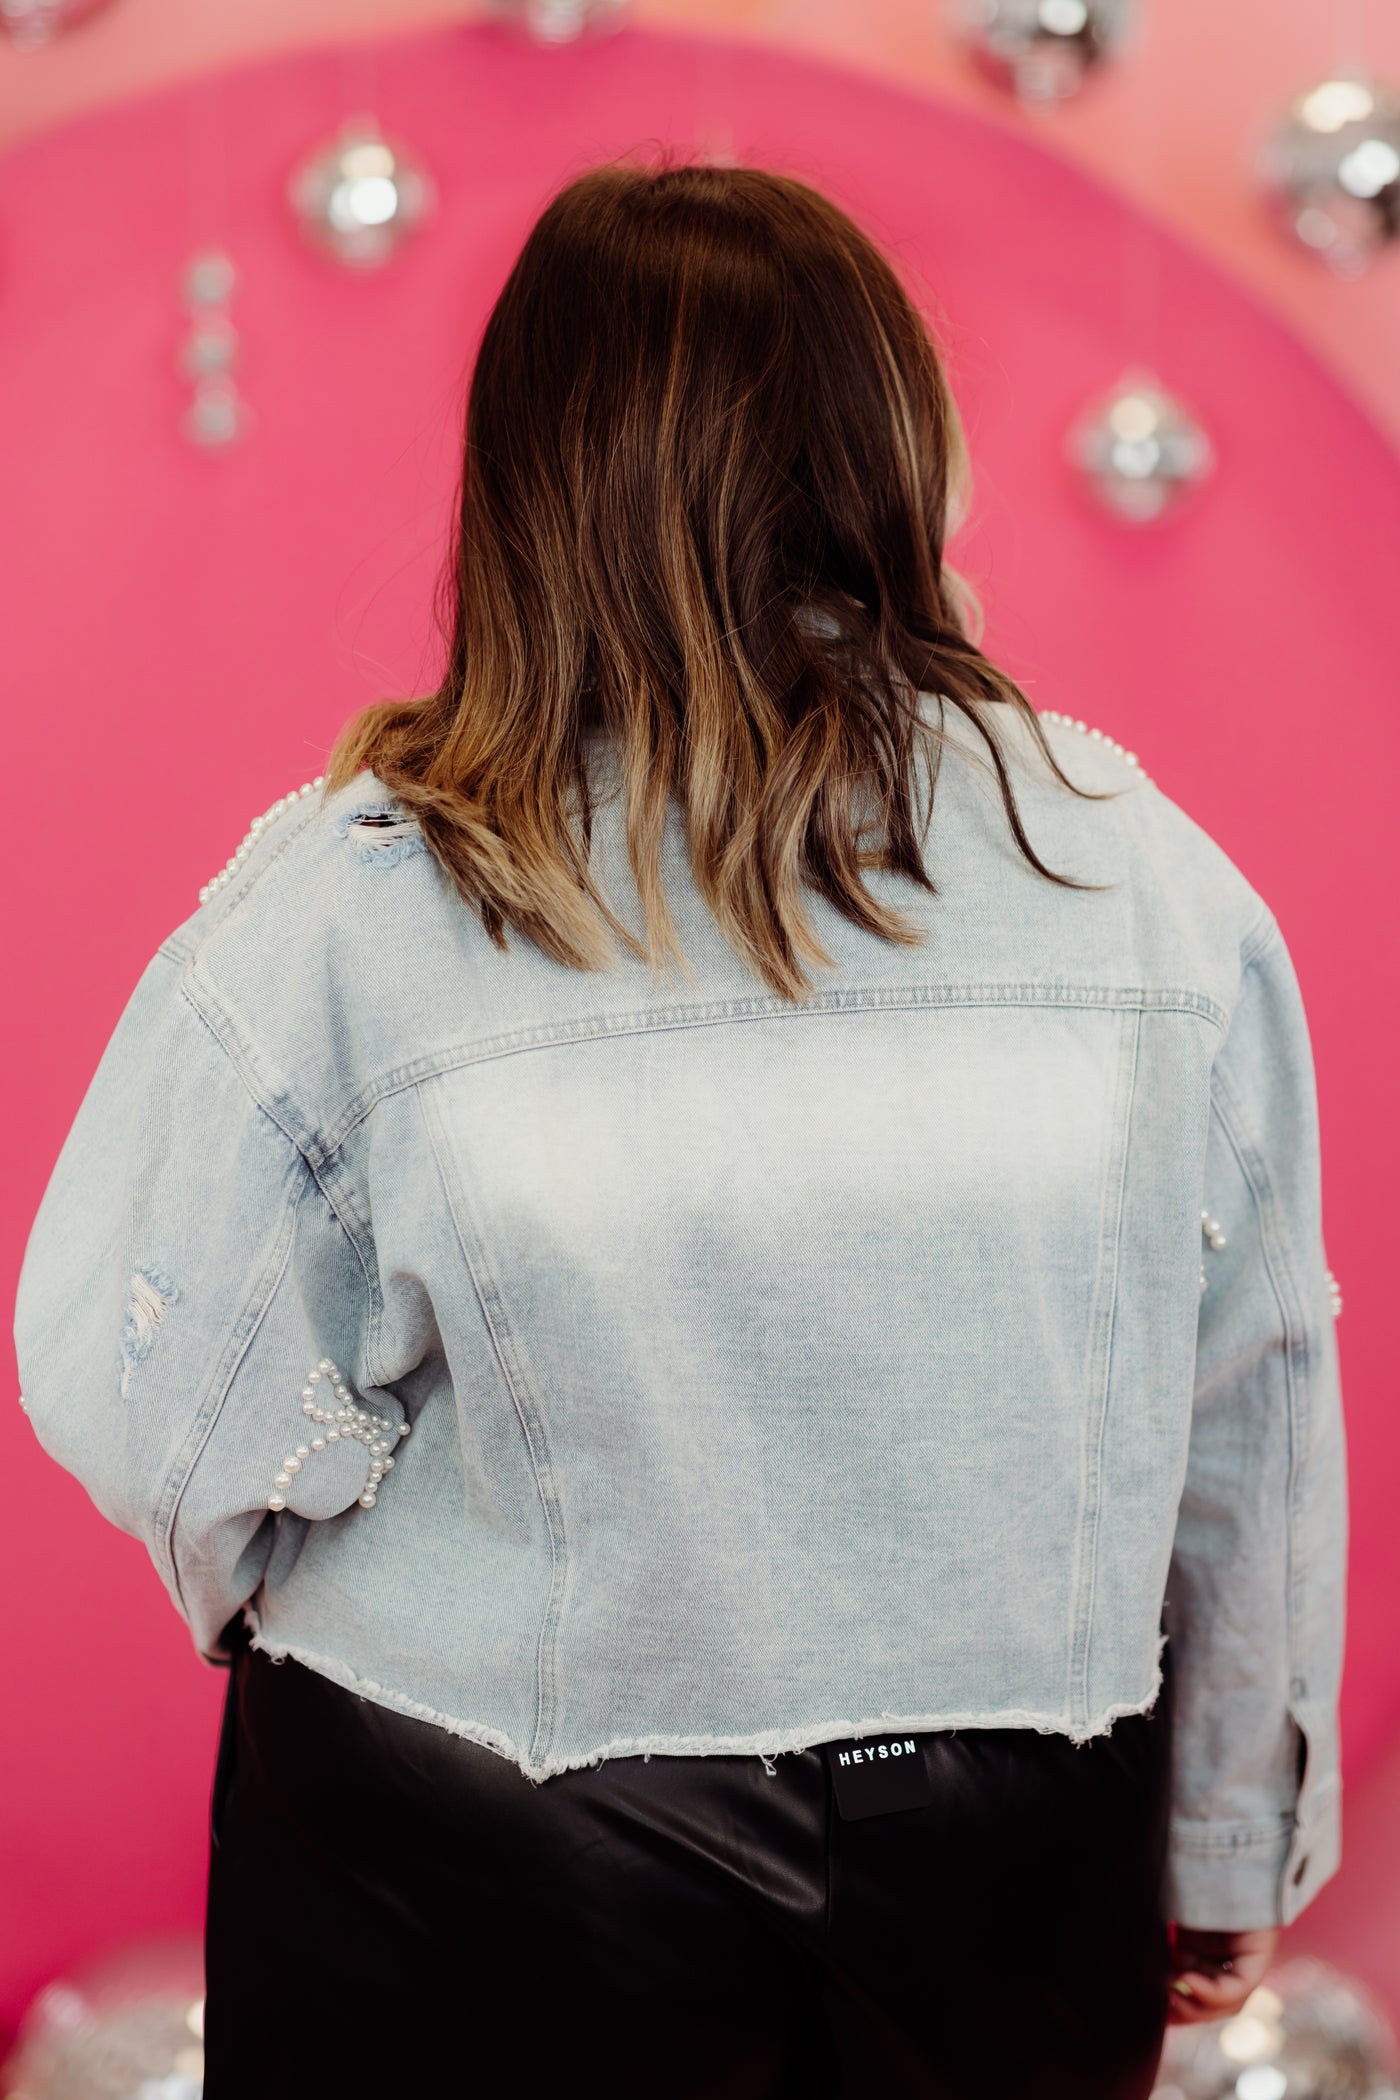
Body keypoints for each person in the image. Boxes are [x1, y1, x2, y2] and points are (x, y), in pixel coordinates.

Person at [15, 160, 1345, 2099]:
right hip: (1009, 1863)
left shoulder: (360, 903)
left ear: (533, 477)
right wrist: (1228, 1839)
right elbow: (1246, 1402)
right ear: (895, 444)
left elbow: (146, 1403)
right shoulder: (1144, 881)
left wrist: (343, 1581)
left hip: (467, 1857)